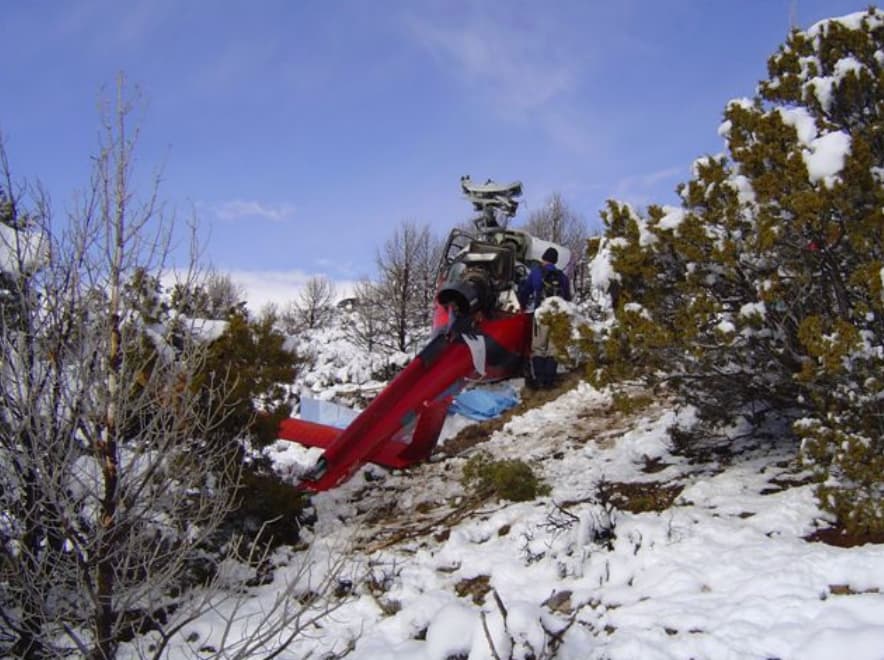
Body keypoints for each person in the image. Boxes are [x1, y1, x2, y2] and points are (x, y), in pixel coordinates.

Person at [518, 247, 572, 389]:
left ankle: (539, 379)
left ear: (543, 258)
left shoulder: (536, 273)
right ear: (555, 261)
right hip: (558, 314)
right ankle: (549, 381)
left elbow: (525, 292)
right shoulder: (562, 276)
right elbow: (567, 298)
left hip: (541, 313)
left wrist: (521, 306)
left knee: (539, 347)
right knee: (554, 348)